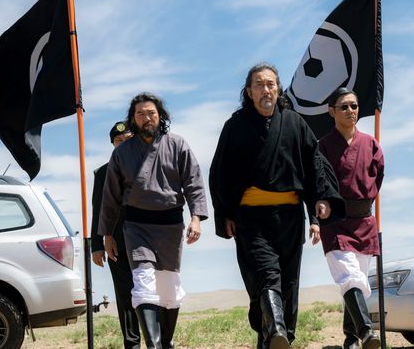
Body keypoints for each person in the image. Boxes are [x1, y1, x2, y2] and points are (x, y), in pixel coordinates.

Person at [209, 63, 345, 349]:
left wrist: (319, 201)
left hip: (289, 219)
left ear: (278, 89)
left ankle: (277, 337)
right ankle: (277, 329)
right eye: (259, 85)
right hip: (251, 220)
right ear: (249, 92)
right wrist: (226, 213)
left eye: (270, 84)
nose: (265, 90)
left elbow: (315, 163)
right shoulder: (235, 126)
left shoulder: (294, 123)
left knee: (288, 284)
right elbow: (220, 172)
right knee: (266, 274)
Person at [99, 93, 208, 349]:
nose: (146, 118)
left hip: (171, 226)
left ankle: (165, 342)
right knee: (143, 281)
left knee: (169, 287)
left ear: (160, 116)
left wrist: (196, 218)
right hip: (136, 227)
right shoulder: (122, 153)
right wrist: (107, 235)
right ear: (133, 119)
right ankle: (154, 345)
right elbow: (110, 197)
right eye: (140, 114)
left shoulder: (177, 144)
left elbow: (193, 183)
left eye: (151, 113)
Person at [318, 87, 384, 349]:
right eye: (344, 106)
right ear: (331, 111)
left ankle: (350, 339)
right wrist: (317, 217)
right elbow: (318, 183)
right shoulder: (323, 146)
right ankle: (367, 331)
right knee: (349, 276)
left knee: (357, 280)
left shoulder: (371, 144)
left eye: (354, 106)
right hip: (335, 222)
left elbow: (378, 177)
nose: (350, 111)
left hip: (364, 221)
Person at [90, 121, 138, 348]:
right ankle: (132, 344)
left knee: (153, 294)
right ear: (113, 145)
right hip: (116, 243)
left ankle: (158, 341)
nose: (123, 144)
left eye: (128, 140)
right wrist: (97, 245)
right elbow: (97, 210)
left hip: (148, 240)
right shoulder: (103, 173)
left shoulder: (148, 165)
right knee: (125, 296)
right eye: (119, 141)